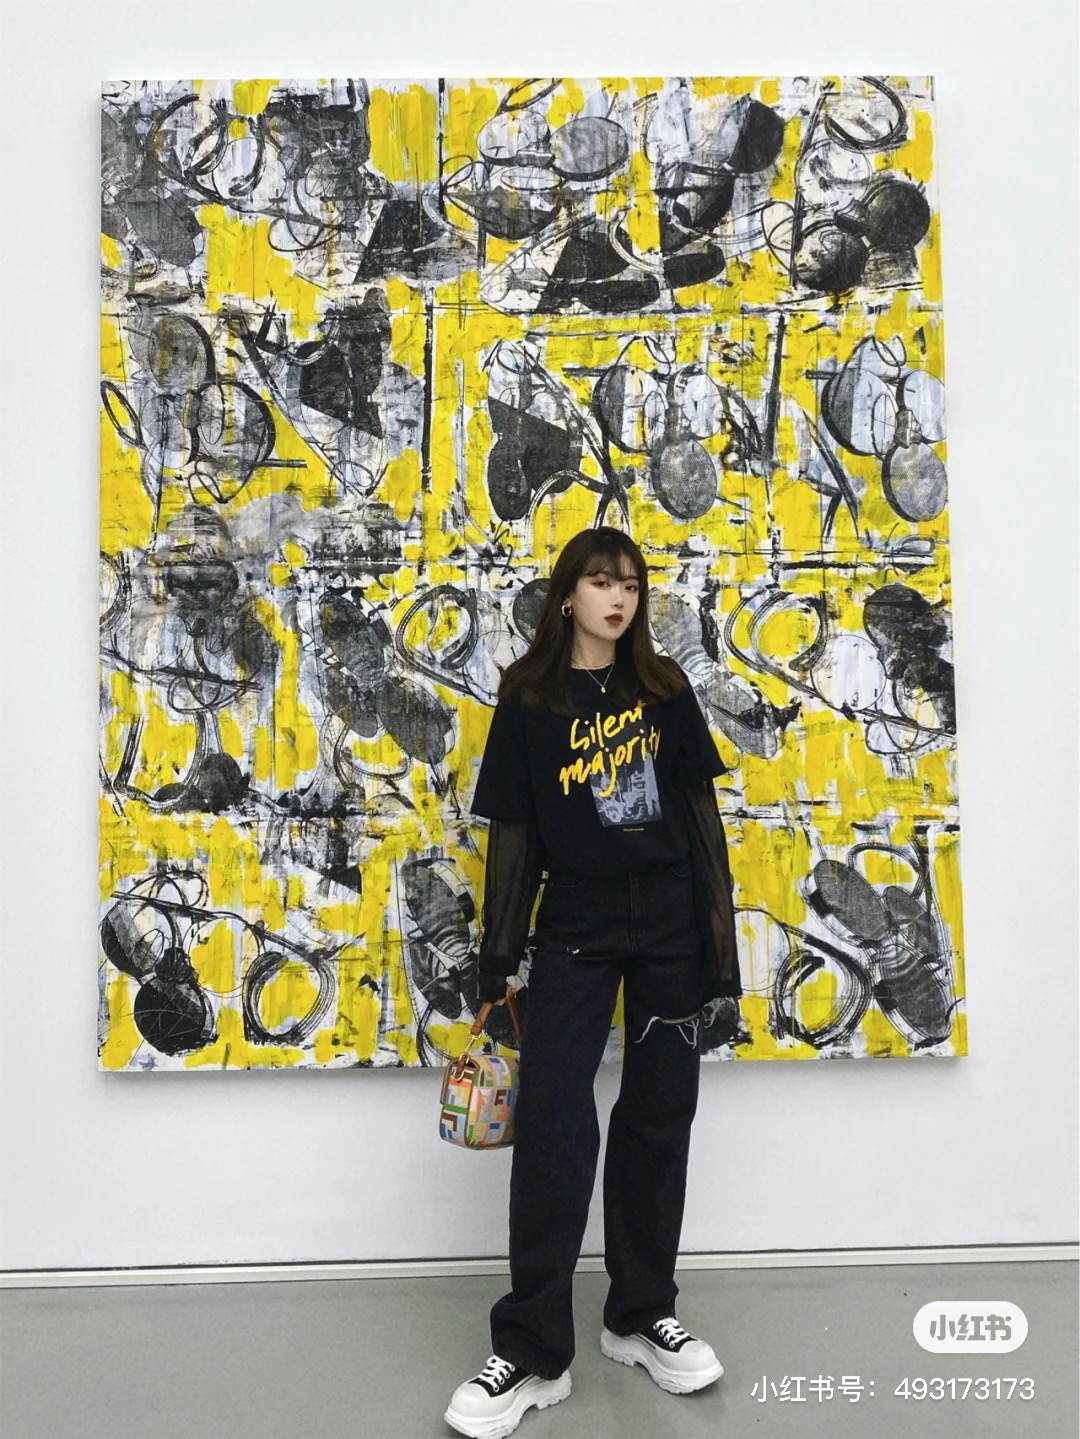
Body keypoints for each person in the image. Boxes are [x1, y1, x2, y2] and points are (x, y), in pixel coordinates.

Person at [444, 526, 740, 1439]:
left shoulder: (664, 688)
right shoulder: (529, 696)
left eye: (631, 585)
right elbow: (515, 832)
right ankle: (534, 1351)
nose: (618, 598)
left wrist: (718, 951)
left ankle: (640, 1314)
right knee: (553, 1124)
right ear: (568, 594)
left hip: (667, 927)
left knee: (659, 1116)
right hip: (574, 926)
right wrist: (498, 957)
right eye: (601, 581)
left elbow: (699, 820)